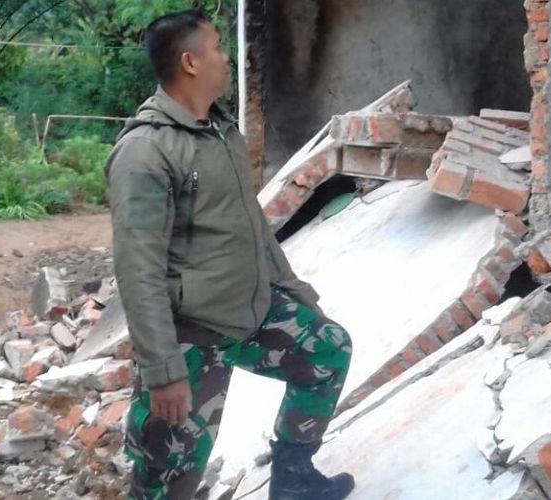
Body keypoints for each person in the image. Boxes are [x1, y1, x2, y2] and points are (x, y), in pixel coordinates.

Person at [105, 10, 354, 500]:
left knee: (327, 349)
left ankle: (294, 480)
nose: (226, 57)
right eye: (218, 47)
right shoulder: (145, 153)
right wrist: (162, 371)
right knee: (173, 471)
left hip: (251, 312)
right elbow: (138, 272)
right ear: (190, 62)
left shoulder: (222, 133)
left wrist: (296, 294)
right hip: (190, 335)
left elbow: (255, 230)